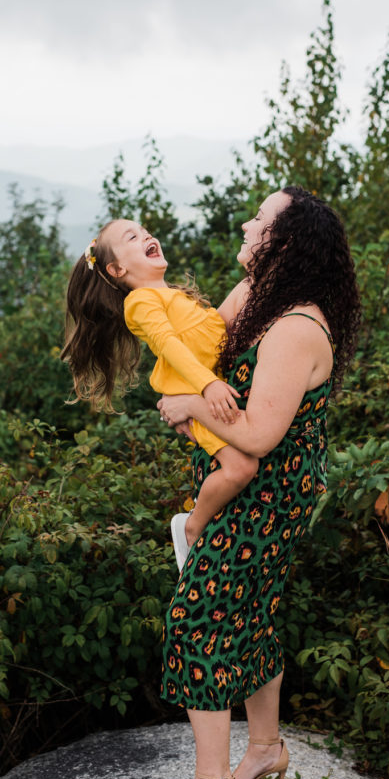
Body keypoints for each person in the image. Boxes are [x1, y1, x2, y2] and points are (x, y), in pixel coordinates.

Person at [148, 185, 361, 779]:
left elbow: (262, 433)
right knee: (254, 605)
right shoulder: (252, 299)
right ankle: (263, 747)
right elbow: (201, 348)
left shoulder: (296, 327)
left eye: (259, 219)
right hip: (246, 479)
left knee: (200, 616)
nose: (245, 223)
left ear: (287, 242)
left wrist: (189, 409)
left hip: (269, 490)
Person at [60, 219, 259, 567]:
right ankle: (191, 528)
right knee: (241, 468)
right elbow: (168, 344)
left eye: (145, 231)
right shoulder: (139, 302)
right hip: (196, 394)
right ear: (118, 268)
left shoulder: (176, 296)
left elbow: (215, 328)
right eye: (132, 237)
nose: (146, 236)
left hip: (208, 389)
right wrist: (207, 385)